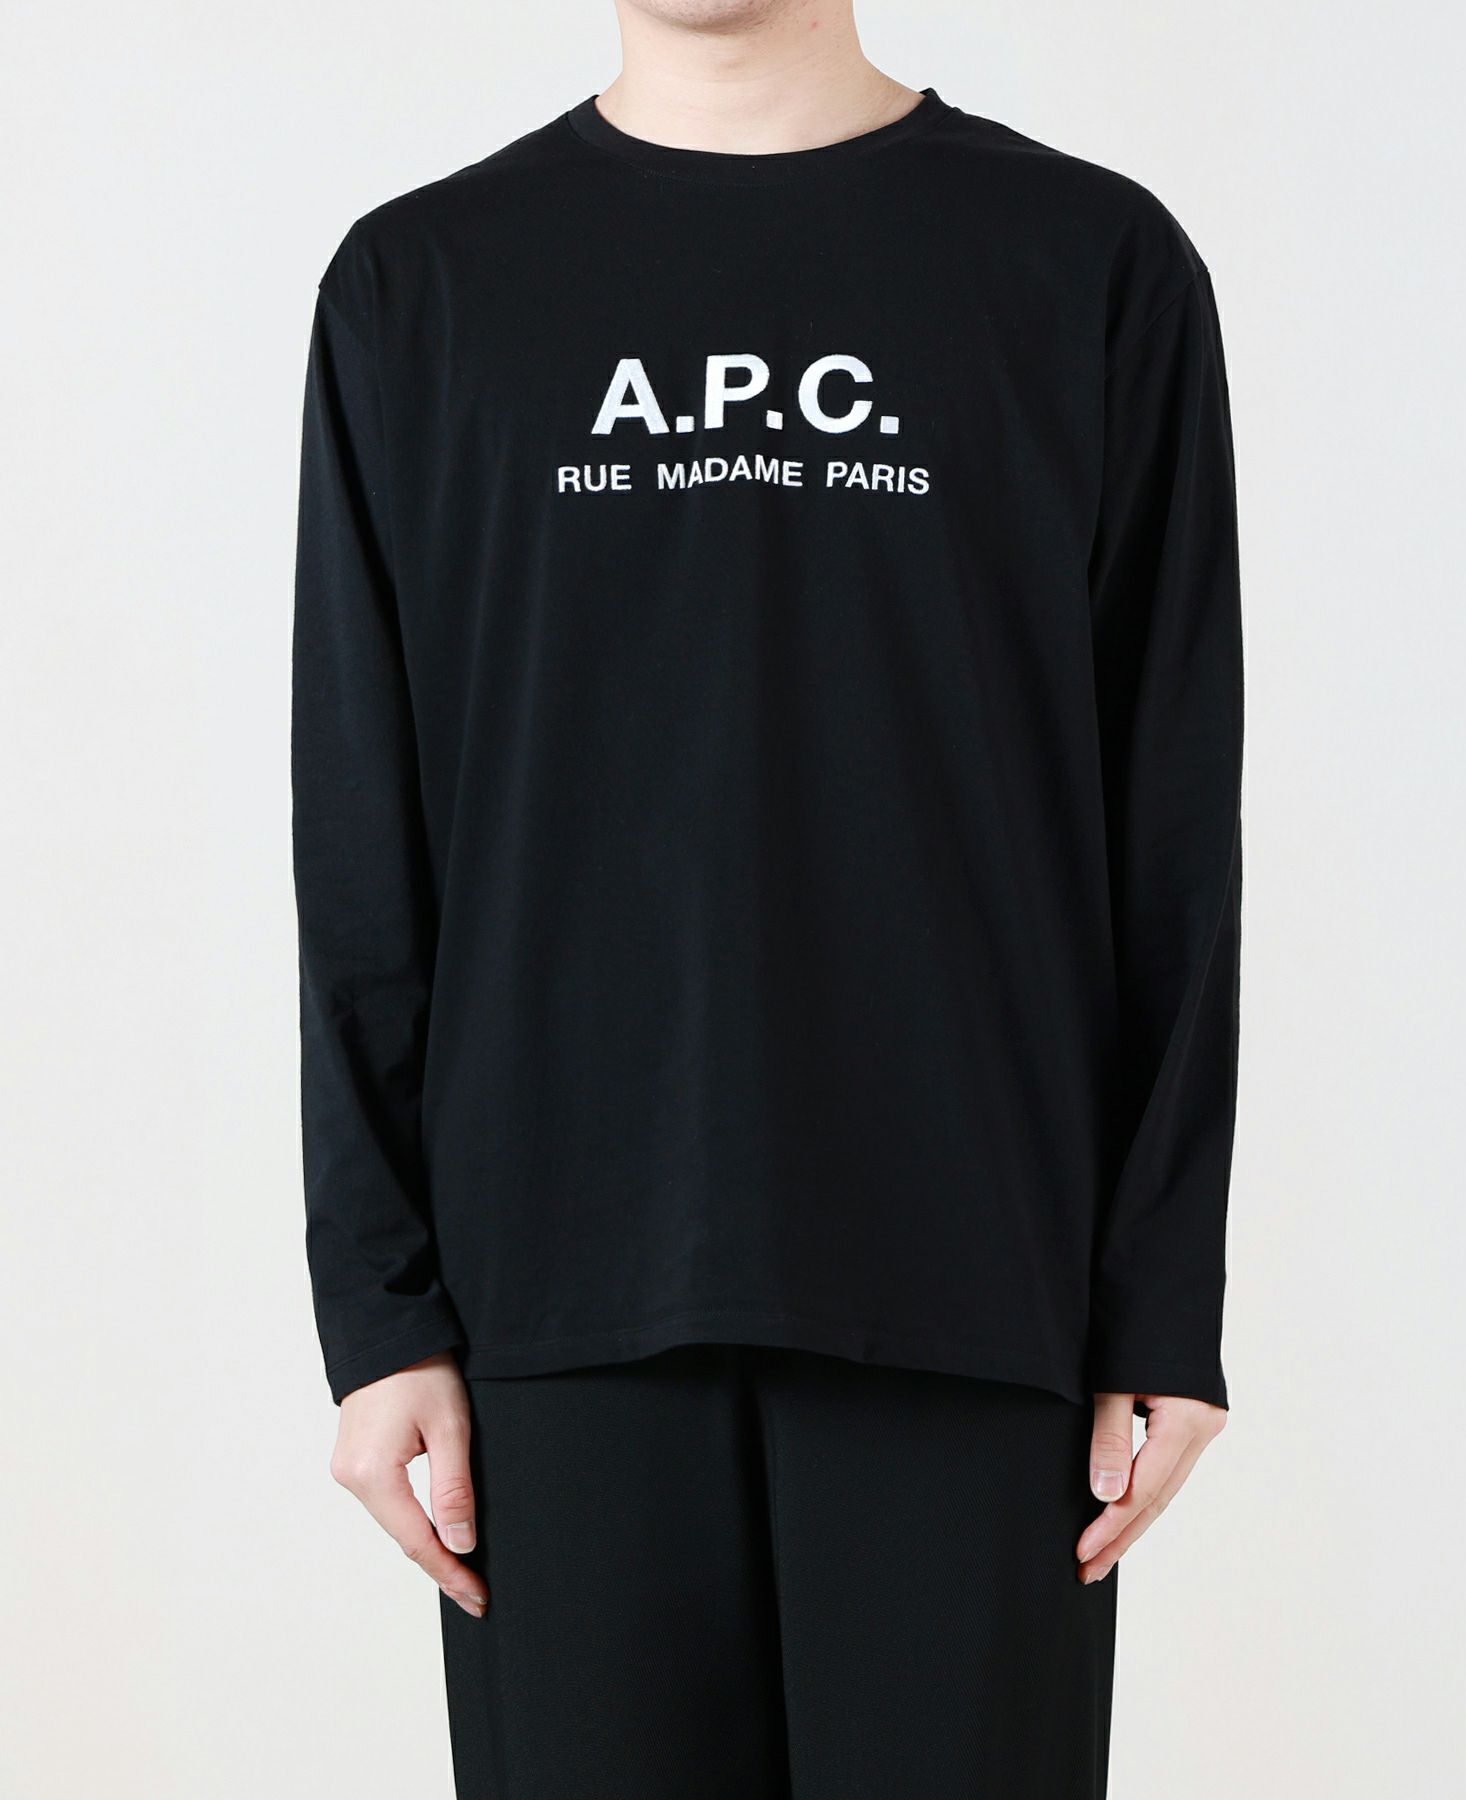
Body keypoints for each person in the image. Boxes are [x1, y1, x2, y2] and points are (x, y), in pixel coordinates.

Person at [291, 1, 1242, 1793]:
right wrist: (379, 1307)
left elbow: (1173, 813)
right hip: (547, 1303)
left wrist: (1160, 1292)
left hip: (981, 1288)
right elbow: (359, 827)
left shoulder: (1091, 262)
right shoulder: (423, 287)